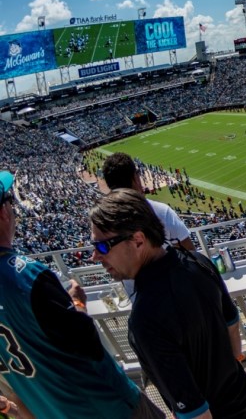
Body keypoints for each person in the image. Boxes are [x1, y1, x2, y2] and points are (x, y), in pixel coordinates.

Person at [90, 191, 246, 419]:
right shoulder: (200, 262)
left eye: (102, 247)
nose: (95, 257)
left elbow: (197, 414)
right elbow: (233, 326)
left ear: (138, 240)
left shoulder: (145, 320)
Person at [0, 171, 164, 419]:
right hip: (104, 407)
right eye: (10, 200)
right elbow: (86, 345)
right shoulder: (27, 276)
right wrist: (78, 302)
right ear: (3, 212)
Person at [102, 152, 195, 251]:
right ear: (135, 178)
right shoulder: (162, 211)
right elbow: (190, 251)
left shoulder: (104, 221)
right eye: (137, 173)